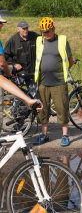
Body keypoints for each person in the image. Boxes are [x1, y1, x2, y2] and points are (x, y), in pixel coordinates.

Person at [34, 17, 73, 146]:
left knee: (62, 108)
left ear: (53, 29)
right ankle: (44, 135)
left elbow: (70, 61)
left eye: (48, 31)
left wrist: (62, 73)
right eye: (44, 32)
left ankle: (65, 136)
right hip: (43, 82)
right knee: (43, 110)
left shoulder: (62, 40)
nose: (46, 34)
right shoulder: (40, 40)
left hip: (59, 82)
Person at [4, 20, 39, 98]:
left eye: (26, 28)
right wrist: (14, 64)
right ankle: (17, 108)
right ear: (18, 29)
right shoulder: (12, 41)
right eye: (23, 28)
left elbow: (44, 44)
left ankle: (34, 108)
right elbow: (6, 56)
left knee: (34, 94)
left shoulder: (34, 36)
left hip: (32, 72)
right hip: (19, 73)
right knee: (18, 94)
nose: (25, 30)